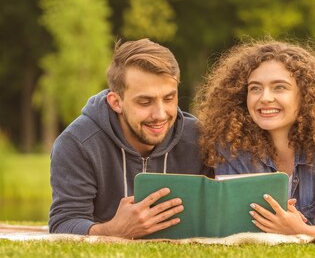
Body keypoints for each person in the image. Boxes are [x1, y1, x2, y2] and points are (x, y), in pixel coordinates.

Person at [194, 39, 315, 238]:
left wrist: (300, 230)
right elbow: (234, 221)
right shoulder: (231, 146)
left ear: (305, 95)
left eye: (279, 87)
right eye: (255, 88)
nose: (265, 97)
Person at [49, 38, 211, 238]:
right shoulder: (77, 143)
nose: (160, 114)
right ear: (116, 102)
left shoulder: (200, 139)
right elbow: (64, 223)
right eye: (145, 102)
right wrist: (113, 231)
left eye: (169, 98)